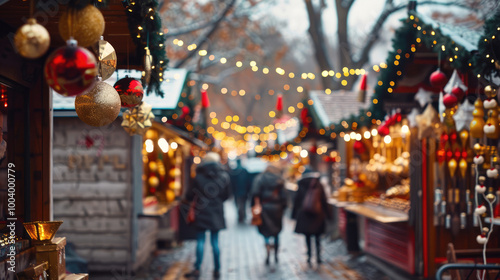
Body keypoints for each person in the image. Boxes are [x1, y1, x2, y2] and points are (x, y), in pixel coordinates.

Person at [184, 152, 231, 279]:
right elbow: (227, 196)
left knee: (200, 241)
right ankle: (217, 269)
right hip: (216, 212)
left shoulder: (198, 176)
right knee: (215, 242)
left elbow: (189, 195)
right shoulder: (224, 176)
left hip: (201, 211)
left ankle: (197, 268)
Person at [292, 167, 331, 266]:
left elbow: (296, 200)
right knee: (317, 236)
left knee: (307, 236)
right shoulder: (318, 184)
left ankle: (309, 256)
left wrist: (293, 214)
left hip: (304, 214)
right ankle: (318, 256)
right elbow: (324, 200)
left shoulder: (300, 184)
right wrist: (329, 214)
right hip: (318, 213)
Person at [251, 165, 287, 265]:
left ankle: (267, 247)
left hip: (264, 209)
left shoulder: (260, 178)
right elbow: (284, 197)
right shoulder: (279, 180)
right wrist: (283, 207)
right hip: (277, 208)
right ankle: (275, 253)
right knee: (276, 231)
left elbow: (255, 193)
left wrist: (255, 206)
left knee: (265, 230)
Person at [229, 158, 250, 223]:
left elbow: (231, 182)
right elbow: (248, 181)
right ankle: (242, 214)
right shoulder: (244, 170)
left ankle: (241, 214)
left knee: (238, 203)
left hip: (237, 190)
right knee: (243, 203)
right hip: (244, 190)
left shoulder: (234, 171)